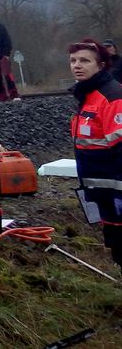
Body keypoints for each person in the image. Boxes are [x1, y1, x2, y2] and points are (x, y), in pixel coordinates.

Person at [66, 38, 122, 271]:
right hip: (104, 192)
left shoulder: (112, 97)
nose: (77, 65)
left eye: (85, 61)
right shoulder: (87, 96)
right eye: (73, 60)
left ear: (101, 65)